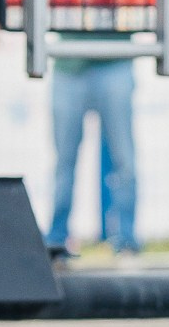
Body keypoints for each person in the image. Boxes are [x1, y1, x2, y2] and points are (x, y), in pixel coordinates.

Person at [46, 53, 140, 258]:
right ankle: (57, 240)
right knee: (64, 163)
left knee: (124, 161)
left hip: (114, 60)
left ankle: (127, 242)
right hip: (69, 65)